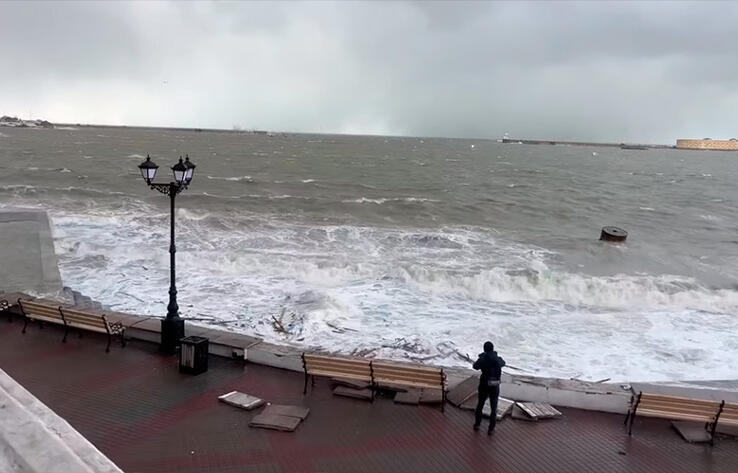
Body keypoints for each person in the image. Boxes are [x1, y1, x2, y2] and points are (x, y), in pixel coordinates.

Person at [472, 341, 505, 435]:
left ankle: (477, 424)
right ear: (493, 348)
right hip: (495, 384)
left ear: (484, 349)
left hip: (484, 384)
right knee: (493, 407)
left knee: (480, 404)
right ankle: (491, 429)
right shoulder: (497, 359)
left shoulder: (483, 359)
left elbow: (475, 366)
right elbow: (503, 363)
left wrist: (481, 357)